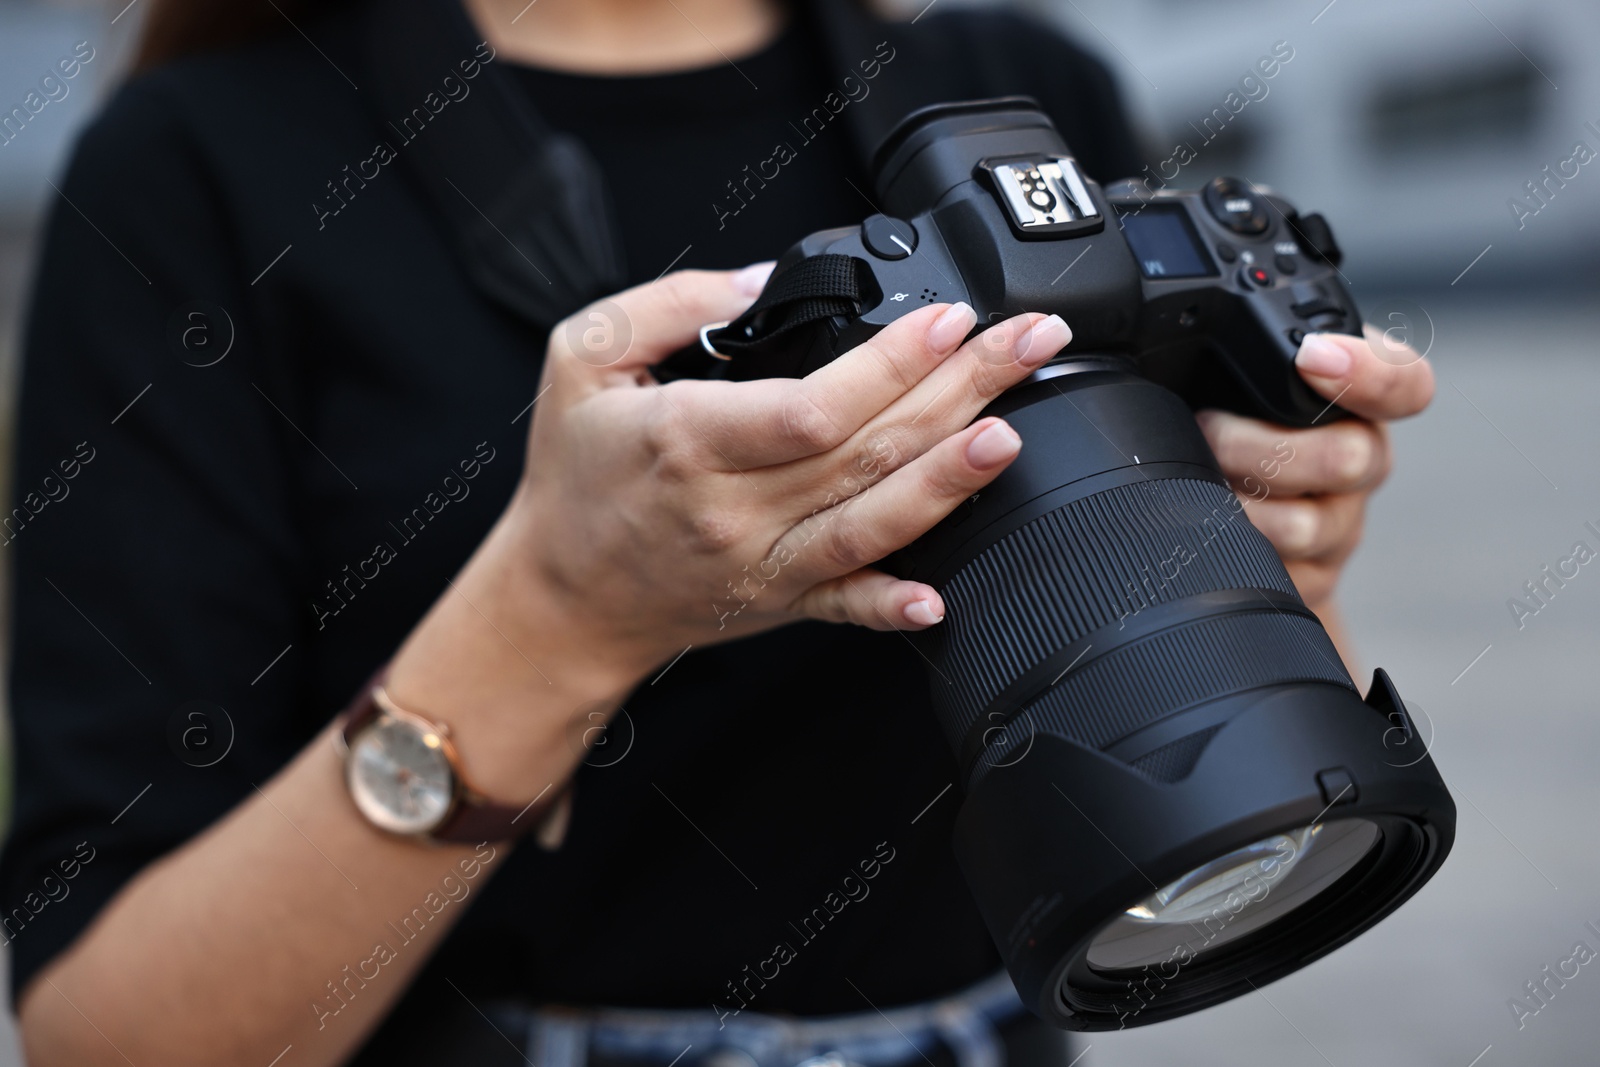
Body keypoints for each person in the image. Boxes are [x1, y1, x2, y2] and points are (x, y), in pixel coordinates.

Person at [0, 0, 1434, 1064]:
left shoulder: (1013, 84)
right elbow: (109, 1035)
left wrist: (1275, 544)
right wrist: (562, 614)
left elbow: (1223, 756)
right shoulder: (197, 168)